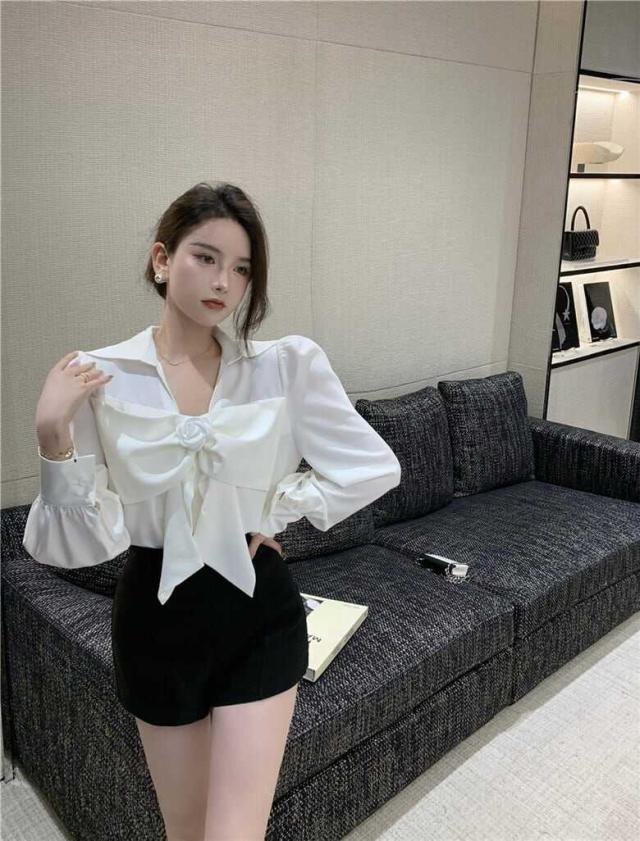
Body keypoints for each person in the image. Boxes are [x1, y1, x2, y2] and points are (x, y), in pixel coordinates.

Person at [23, 181, 402, 841]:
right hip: (154, 620)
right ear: (162, 259)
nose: (224, 281)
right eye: (206, 257)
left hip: (259, 612)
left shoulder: (283, 367)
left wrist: (275, 508)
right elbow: (77, 545)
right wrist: (53, 435)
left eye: (242, 268)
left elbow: (373, 466)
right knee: (186, 831)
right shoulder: (104, 375)